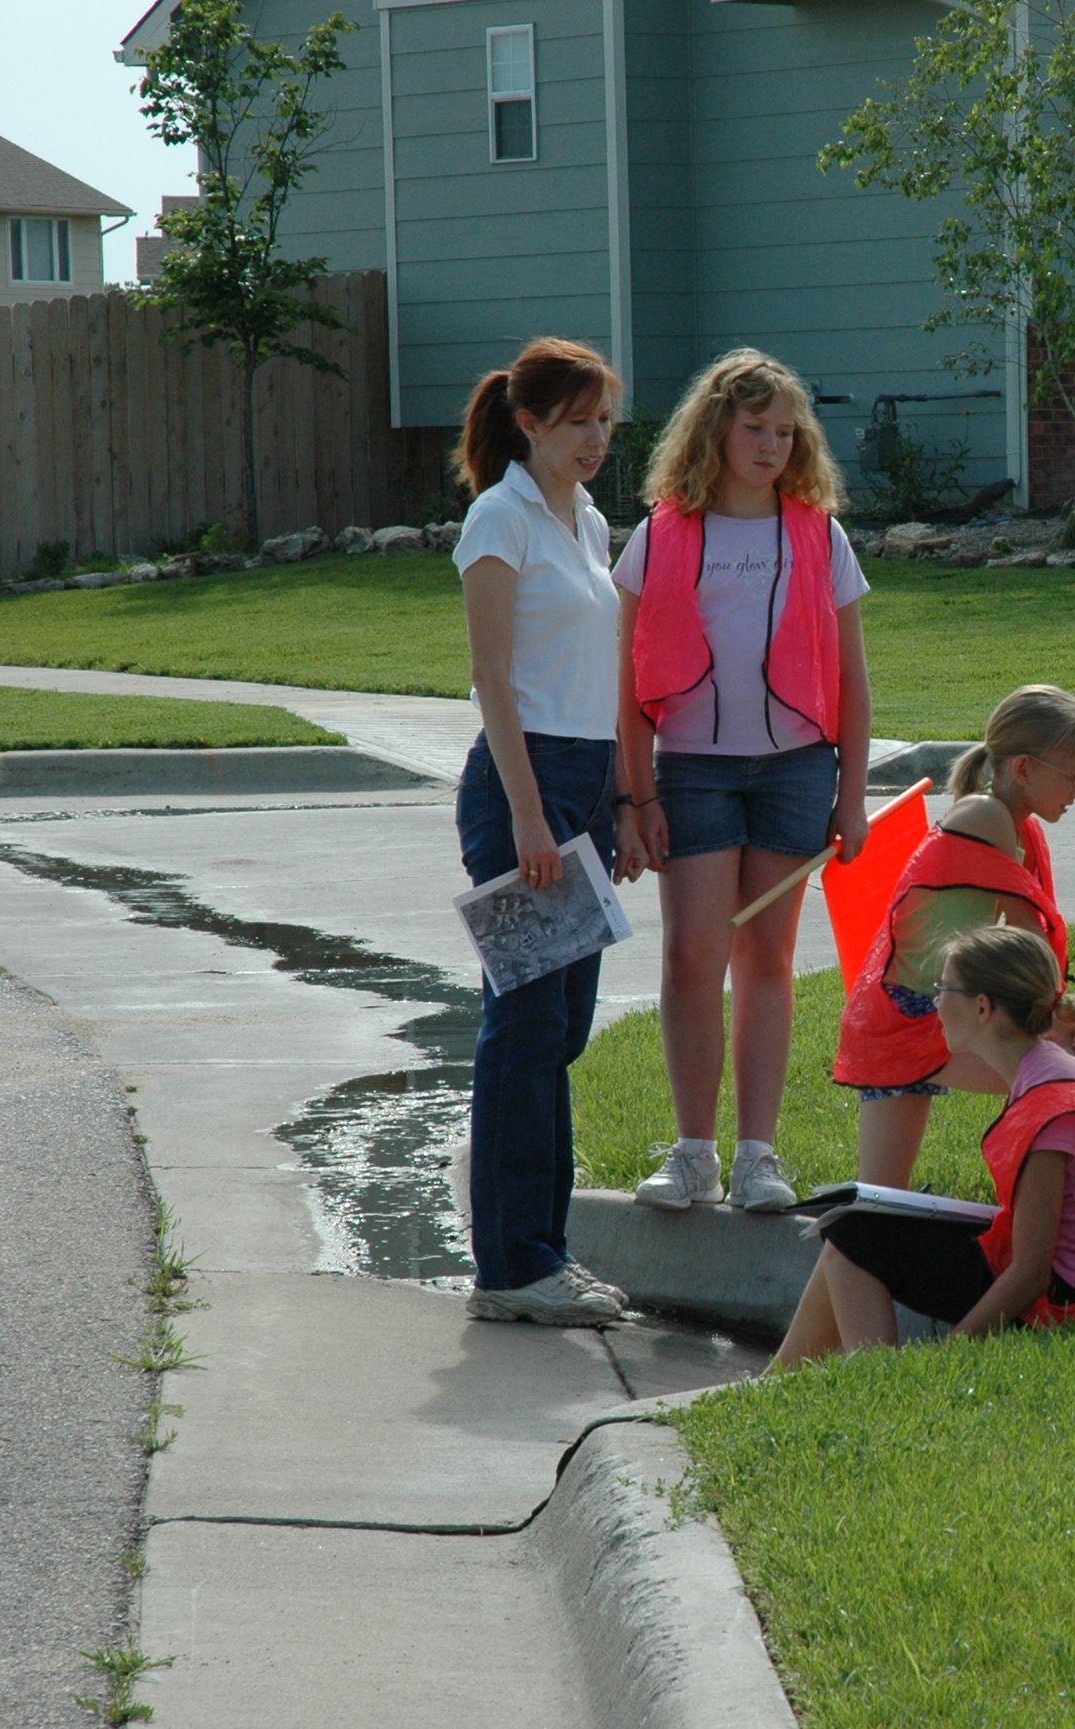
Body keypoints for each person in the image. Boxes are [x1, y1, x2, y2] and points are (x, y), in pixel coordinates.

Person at [612, 349, 873, 1216]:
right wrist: (637, 796)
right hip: (691, 771)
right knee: (693, 954)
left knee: (768, 957)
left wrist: (851, 795)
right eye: (754, 428)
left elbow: (853, 679)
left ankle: (759, 1157)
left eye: (785, 432)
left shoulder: (820, 535)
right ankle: (694, 1154)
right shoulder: (659, 536)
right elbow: (628, 685)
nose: (770, 445)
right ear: (714, 430)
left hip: (797, 770)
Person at [451, 337, 634, 1327]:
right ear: (528, 424)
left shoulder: (588, 521)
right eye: (577, 422)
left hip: (585, 783)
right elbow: (493, 677)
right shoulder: (499, 517)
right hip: (519, 789)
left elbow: (600, 678)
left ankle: (544, 1252)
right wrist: (528, 814)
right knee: (523, 1029)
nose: (596, 438)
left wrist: (621, 805)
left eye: (604, 419)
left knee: (559, 1033)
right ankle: (513, 1267)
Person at [776, 924, 1075, 1365]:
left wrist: (951, 1352)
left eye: (943, 989)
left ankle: (878, 1375)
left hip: (1072, 1304)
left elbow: (1031, 1273)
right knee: (855, 1228)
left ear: (983, 1007)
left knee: (855, 1236)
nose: (935, 1003)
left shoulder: (1049, 1108)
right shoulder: (1051, 1074)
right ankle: (785, 1376)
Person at [831, 683, 1075, 1186]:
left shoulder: (1012, 823)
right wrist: (1056, 1021)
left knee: (883, 1194)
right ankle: (1048, 1218)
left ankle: (1047, 1212)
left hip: (927, 1002)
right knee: (1067, 1076)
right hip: (910, 1012)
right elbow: (1027, 939)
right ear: (1023, 768)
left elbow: (1023, 949)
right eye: (1074, 775)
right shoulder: (988, 817)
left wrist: (1058, 1020)